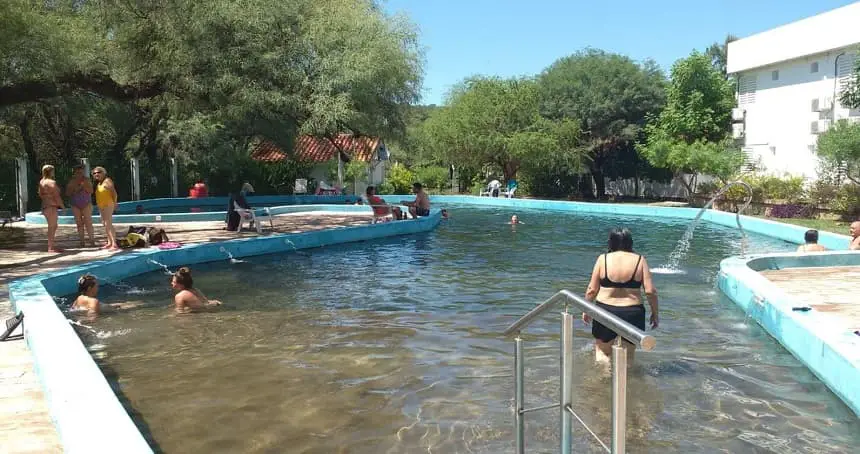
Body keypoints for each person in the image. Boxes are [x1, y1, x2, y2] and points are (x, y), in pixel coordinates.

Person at [583, 228, 658, 364]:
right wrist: (655, 313)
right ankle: (628, 383)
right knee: (628, 355)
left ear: (610, 242)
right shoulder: (640, 260)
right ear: (630, 243)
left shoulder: (603, 259)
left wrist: (586, 309)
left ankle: (604, 379)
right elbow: (650, 291)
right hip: (633, 312)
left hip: (605, 311)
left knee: (602, 351)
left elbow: (591, 290)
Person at [71, 275, 140, 317]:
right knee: (136, 305)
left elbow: (73, 309)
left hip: (107, 307)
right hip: (110, 310)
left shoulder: (79, 297)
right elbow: (92, 316)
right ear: (89, 288)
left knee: (124, 304)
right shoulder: (93, 301)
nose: (98, 288)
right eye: (96, 286)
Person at [65, 165, 95, 248]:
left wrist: (84, 186)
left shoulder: (87, 180)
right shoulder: (72, 181)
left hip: (86, 203)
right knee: (79, 223)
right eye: (78, 172)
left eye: (81, 172)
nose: (80, 174)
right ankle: (82, 241)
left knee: (88, 222)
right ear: (74, 173)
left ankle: (92, 240)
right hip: (75, 204)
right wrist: (76, 189)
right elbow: (67, 193)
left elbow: (91, 191)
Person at [38, 165, 65, 253]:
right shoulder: (52, 182)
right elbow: (57, 196)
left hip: (45, 206)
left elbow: (40, 194)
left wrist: (47, 197)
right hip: (51, 206)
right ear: (50, 172)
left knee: (53, 226)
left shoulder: (42, 181)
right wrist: (63, 207)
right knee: (52, 226)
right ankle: (51, 247)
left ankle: (51, 245)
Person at [92, 166, 120, 250]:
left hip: (108, 204)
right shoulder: (98, 183)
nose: (96, 174)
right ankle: (109, 242)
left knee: (108, 223)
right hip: (101, 206)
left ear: (104, 173)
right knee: (104, 224)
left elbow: (114, 192)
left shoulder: (107, 181)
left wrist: (115, 203)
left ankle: (114, 244)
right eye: (94, 173)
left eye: (99, 172)